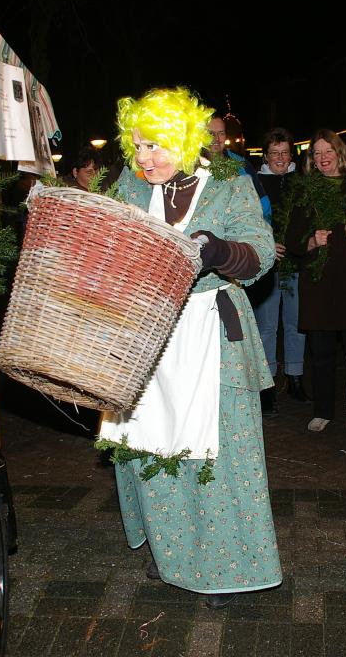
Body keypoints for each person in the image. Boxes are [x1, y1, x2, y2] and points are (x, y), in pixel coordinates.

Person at [99, 86, 282, 609]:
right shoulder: (128, 188)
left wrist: (217, 249)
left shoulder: (228, 186)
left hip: (210, 332)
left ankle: (224, 566)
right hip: (144, 337)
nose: (143, 158)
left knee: (218, 450)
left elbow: (262, 252)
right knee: (152, 446)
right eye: (137, 147)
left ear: (183, 139)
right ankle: (169, 548)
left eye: (154, 146)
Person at [285, 129, 346, 434]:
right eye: (316, 153)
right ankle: (323, 411)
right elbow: (292, 238)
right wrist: (310, 241)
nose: (322, 159)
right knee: (320, 352)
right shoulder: (304, 189)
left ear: (339, 152)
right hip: (317, 281)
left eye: (327, 152)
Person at [248, 128, 309, 417]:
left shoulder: (302, 180)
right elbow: (251, 219)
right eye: (275, 153)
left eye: (285, 152)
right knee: (267, 325)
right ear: (266, 156)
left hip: (296, 262)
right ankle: (268, 384)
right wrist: (268, 242)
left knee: (296, 322)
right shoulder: (256, 182)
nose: (281, 158)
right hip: (269, 263)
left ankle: (295, 376)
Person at [207, 113, 272, 224]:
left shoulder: (241, 164)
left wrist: (263, 233)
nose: (216, 138)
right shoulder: (189, 167)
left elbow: (263, 204)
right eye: (211, 133)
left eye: (221, 133)